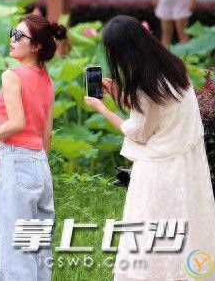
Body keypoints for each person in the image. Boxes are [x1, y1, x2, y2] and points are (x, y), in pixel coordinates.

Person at [83, 15, 215, 280]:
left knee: (148, 237)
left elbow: (139, 132)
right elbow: (159, 114)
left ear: (121, 51)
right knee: (183, 231)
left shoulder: (146, 83)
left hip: (158, 172)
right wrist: (121, 96)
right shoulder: (173, 69)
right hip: (185, 168)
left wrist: (103, 108)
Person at [0, 14, 67, 280]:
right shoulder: (46, 79)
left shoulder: (11, 76)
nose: (12, 39)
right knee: (38, 250)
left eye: (19, 36)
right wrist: (38, 162)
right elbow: (46, 133)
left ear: (36, 46)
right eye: (12, 33)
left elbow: (17, 122)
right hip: (40, 164)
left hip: (16, 162)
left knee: (15, 252)